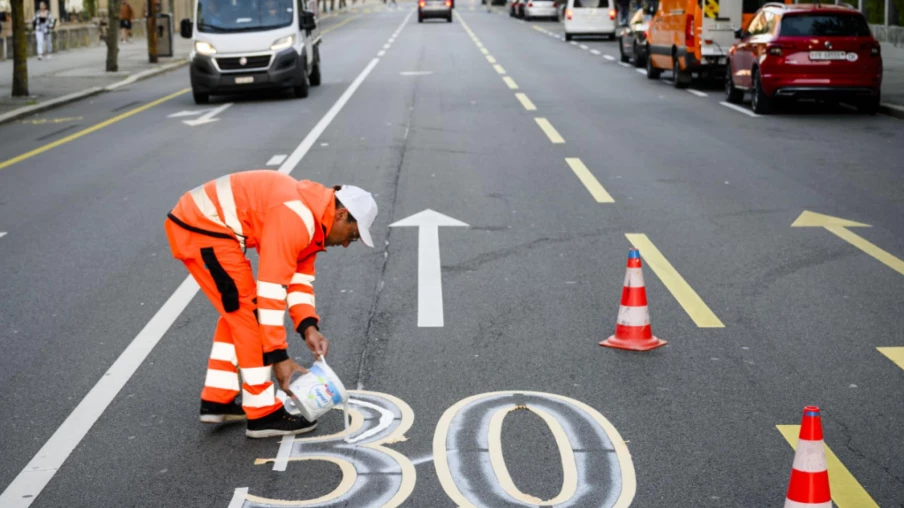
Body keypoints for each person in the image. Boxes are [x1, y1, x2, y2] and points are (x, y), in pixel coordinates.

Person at [164, 171, 378, 439]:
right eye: (353, 235)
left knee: (239, 313)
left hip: (207, 224)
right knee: (250, 316)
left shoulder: (314, 221)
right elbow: (271, 293)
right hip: (201, 226)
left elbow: (299, 281)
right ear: (342, 214)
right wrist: (279, 358)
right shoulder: (296, 217)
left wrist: (309, 327)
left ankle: (218, 399)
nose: (347, 243)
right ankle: (262, 414)